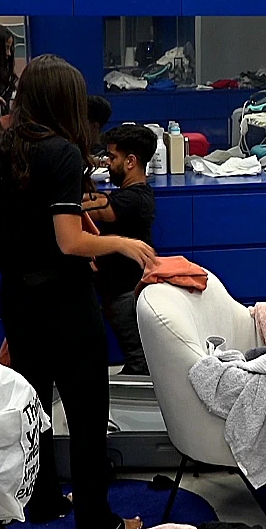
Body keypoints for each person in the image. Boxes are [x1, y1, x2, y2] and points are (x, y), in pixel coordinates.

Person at [0, 54, 153, 529]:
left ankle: (45, 499)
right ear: (64, 101)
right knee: (87, 409)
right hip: (66, 303)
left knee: (34, 405)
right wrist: (121, 243)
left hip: (16, 297)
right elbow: (70, 242)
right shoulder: (62, 154)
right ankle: (95, 520)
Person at [83, 125, 157, 377]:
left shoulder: (135, 200)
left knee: (139, 360)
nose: (108, 163)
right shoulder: (129, 194)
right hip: (117, 291)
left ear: (130, 161)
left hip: (126, 293)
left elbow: (90, 207)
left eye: (112, 157)